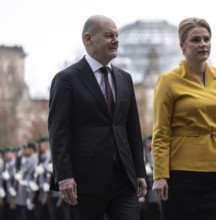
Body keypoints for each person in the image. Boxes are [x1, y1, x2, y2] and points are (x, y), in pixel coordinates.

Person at [48, 15, 147, 220]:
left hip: (123, 178)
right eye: (109, 35)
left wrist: (139, 172)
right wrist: (64, 176)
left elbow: (132, 130)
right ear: (88, 38)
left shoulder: (125, 79)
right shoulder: (66, 79)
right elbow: (59, 133)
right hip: (84, 182)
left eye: (117, 35)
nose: (116, 40)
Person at [151, 17, 216, 220]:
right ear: (182, 46)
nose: (203, 44)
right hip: (183, 173)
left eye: (207, 38)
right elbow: (160, 132)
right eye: (196, 40)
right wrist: (160, 175)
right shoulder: (168, 81)